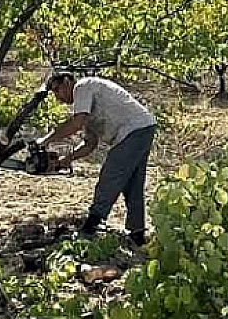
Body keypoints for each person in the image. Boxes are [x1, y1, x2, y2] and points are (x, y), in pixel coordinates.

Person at [41, 71, 157, 245]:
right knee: (133, 184)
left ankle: (92, 224)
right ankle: (137, 234)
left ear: (67, 81)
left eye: (57, 90)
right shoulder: (85, 105)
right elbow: (90, 144)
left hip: (133, 129)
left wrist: (45, 141)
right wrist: (66, 160)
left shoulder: (83, 86)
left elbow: (76, 123)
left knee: (110, 175)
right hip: (143, 127)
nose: (57, 97)